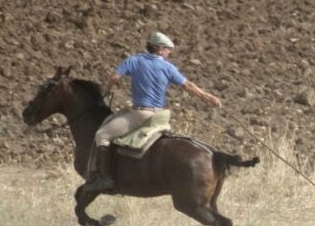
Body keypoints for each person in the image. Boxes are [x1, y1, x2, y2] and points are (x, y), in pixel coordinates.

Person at [86, 31, 222, 190]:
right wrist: (208, 97)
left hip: (140, 114)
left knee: (102, 135)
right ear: (159, 49)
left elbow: (115, 78)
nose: (169, 53)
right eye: (167, 49)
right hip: (160, 116)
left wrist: (104, 92)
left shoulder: (134, 60)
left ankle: (104, 178)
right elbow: (188, 86)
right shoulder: (168, 67)